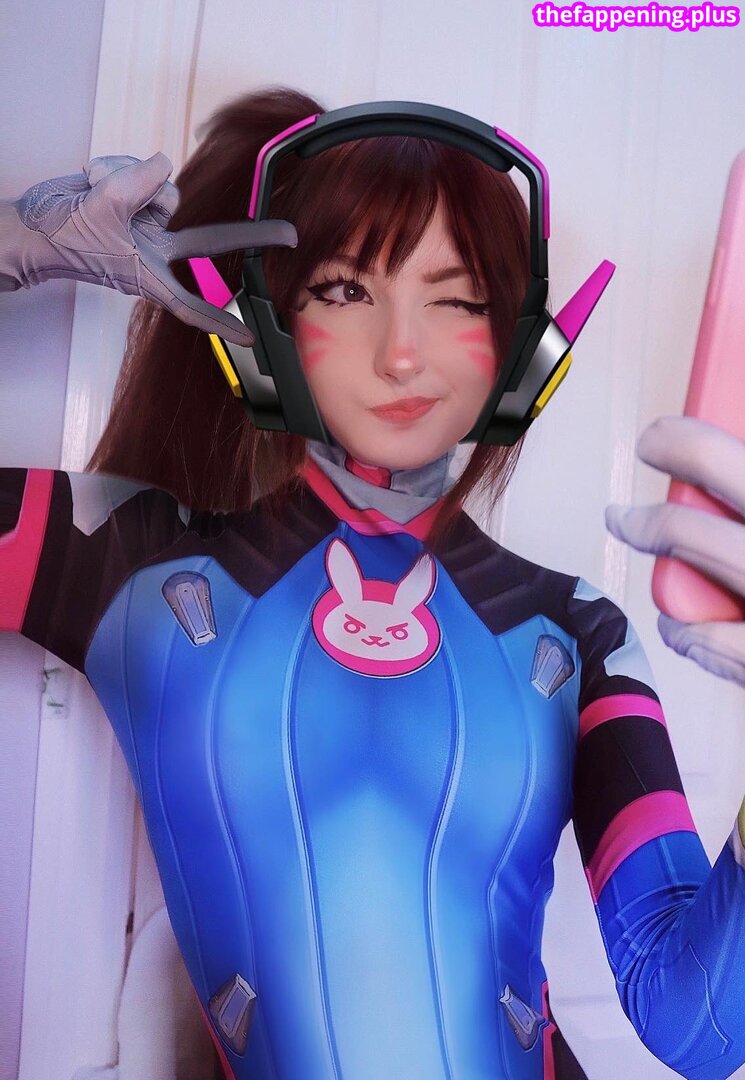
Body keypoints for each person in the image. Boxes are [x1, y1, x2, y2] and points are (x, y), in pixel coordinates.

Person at [2, 85, 745, 1080]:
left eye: (456, 298)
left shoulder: (578, 633)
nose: (402, 352)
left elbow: (699, 1029)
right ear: (266, 327)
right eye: (348, 290)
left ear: (523, 353)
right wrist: (17, 247)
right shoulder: (133, 566)